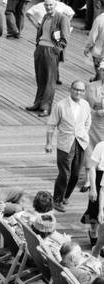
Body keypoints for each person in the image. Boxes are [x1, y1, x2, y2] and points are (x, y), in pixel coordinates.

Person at [45, 80, 90, 211]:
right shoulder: (60, 105)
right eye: (76, 89)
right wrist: (48, 143)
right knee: (65, 173)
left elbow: (88, 122)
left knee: (76, 174)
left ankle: (65, 196)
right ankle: (57, 199)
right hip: (65, 143)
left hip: (81, 142)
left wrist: (84, 134)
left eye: (81, 90)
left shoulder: (85, 105)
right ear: (70, 90)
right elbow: (51, 125)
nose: (78, 92)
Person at [27, 0, 70, 116]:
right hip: (40, 48)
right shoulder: (45, 16)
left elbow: (65, 38)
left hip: (51, 50)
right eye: (46, 5)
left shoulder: (62, 18)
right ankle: (38, 103)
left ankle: (46, 107)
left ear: (55, 5)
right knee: (40, 78)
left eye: (50, 5)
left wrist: (56, 50)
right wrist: (38, 48)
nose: (48, 7)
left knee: (50, 81)